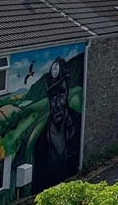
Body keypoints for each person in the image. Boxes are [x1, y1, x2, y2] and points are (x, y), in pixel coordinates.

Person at [31, 57, 81, 193]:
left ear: (68, 91)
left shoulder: (78, 123)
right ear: (48, 97)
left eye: (62, 94)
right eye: (53, 97)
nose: (58, 103)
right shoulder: (40, 142)